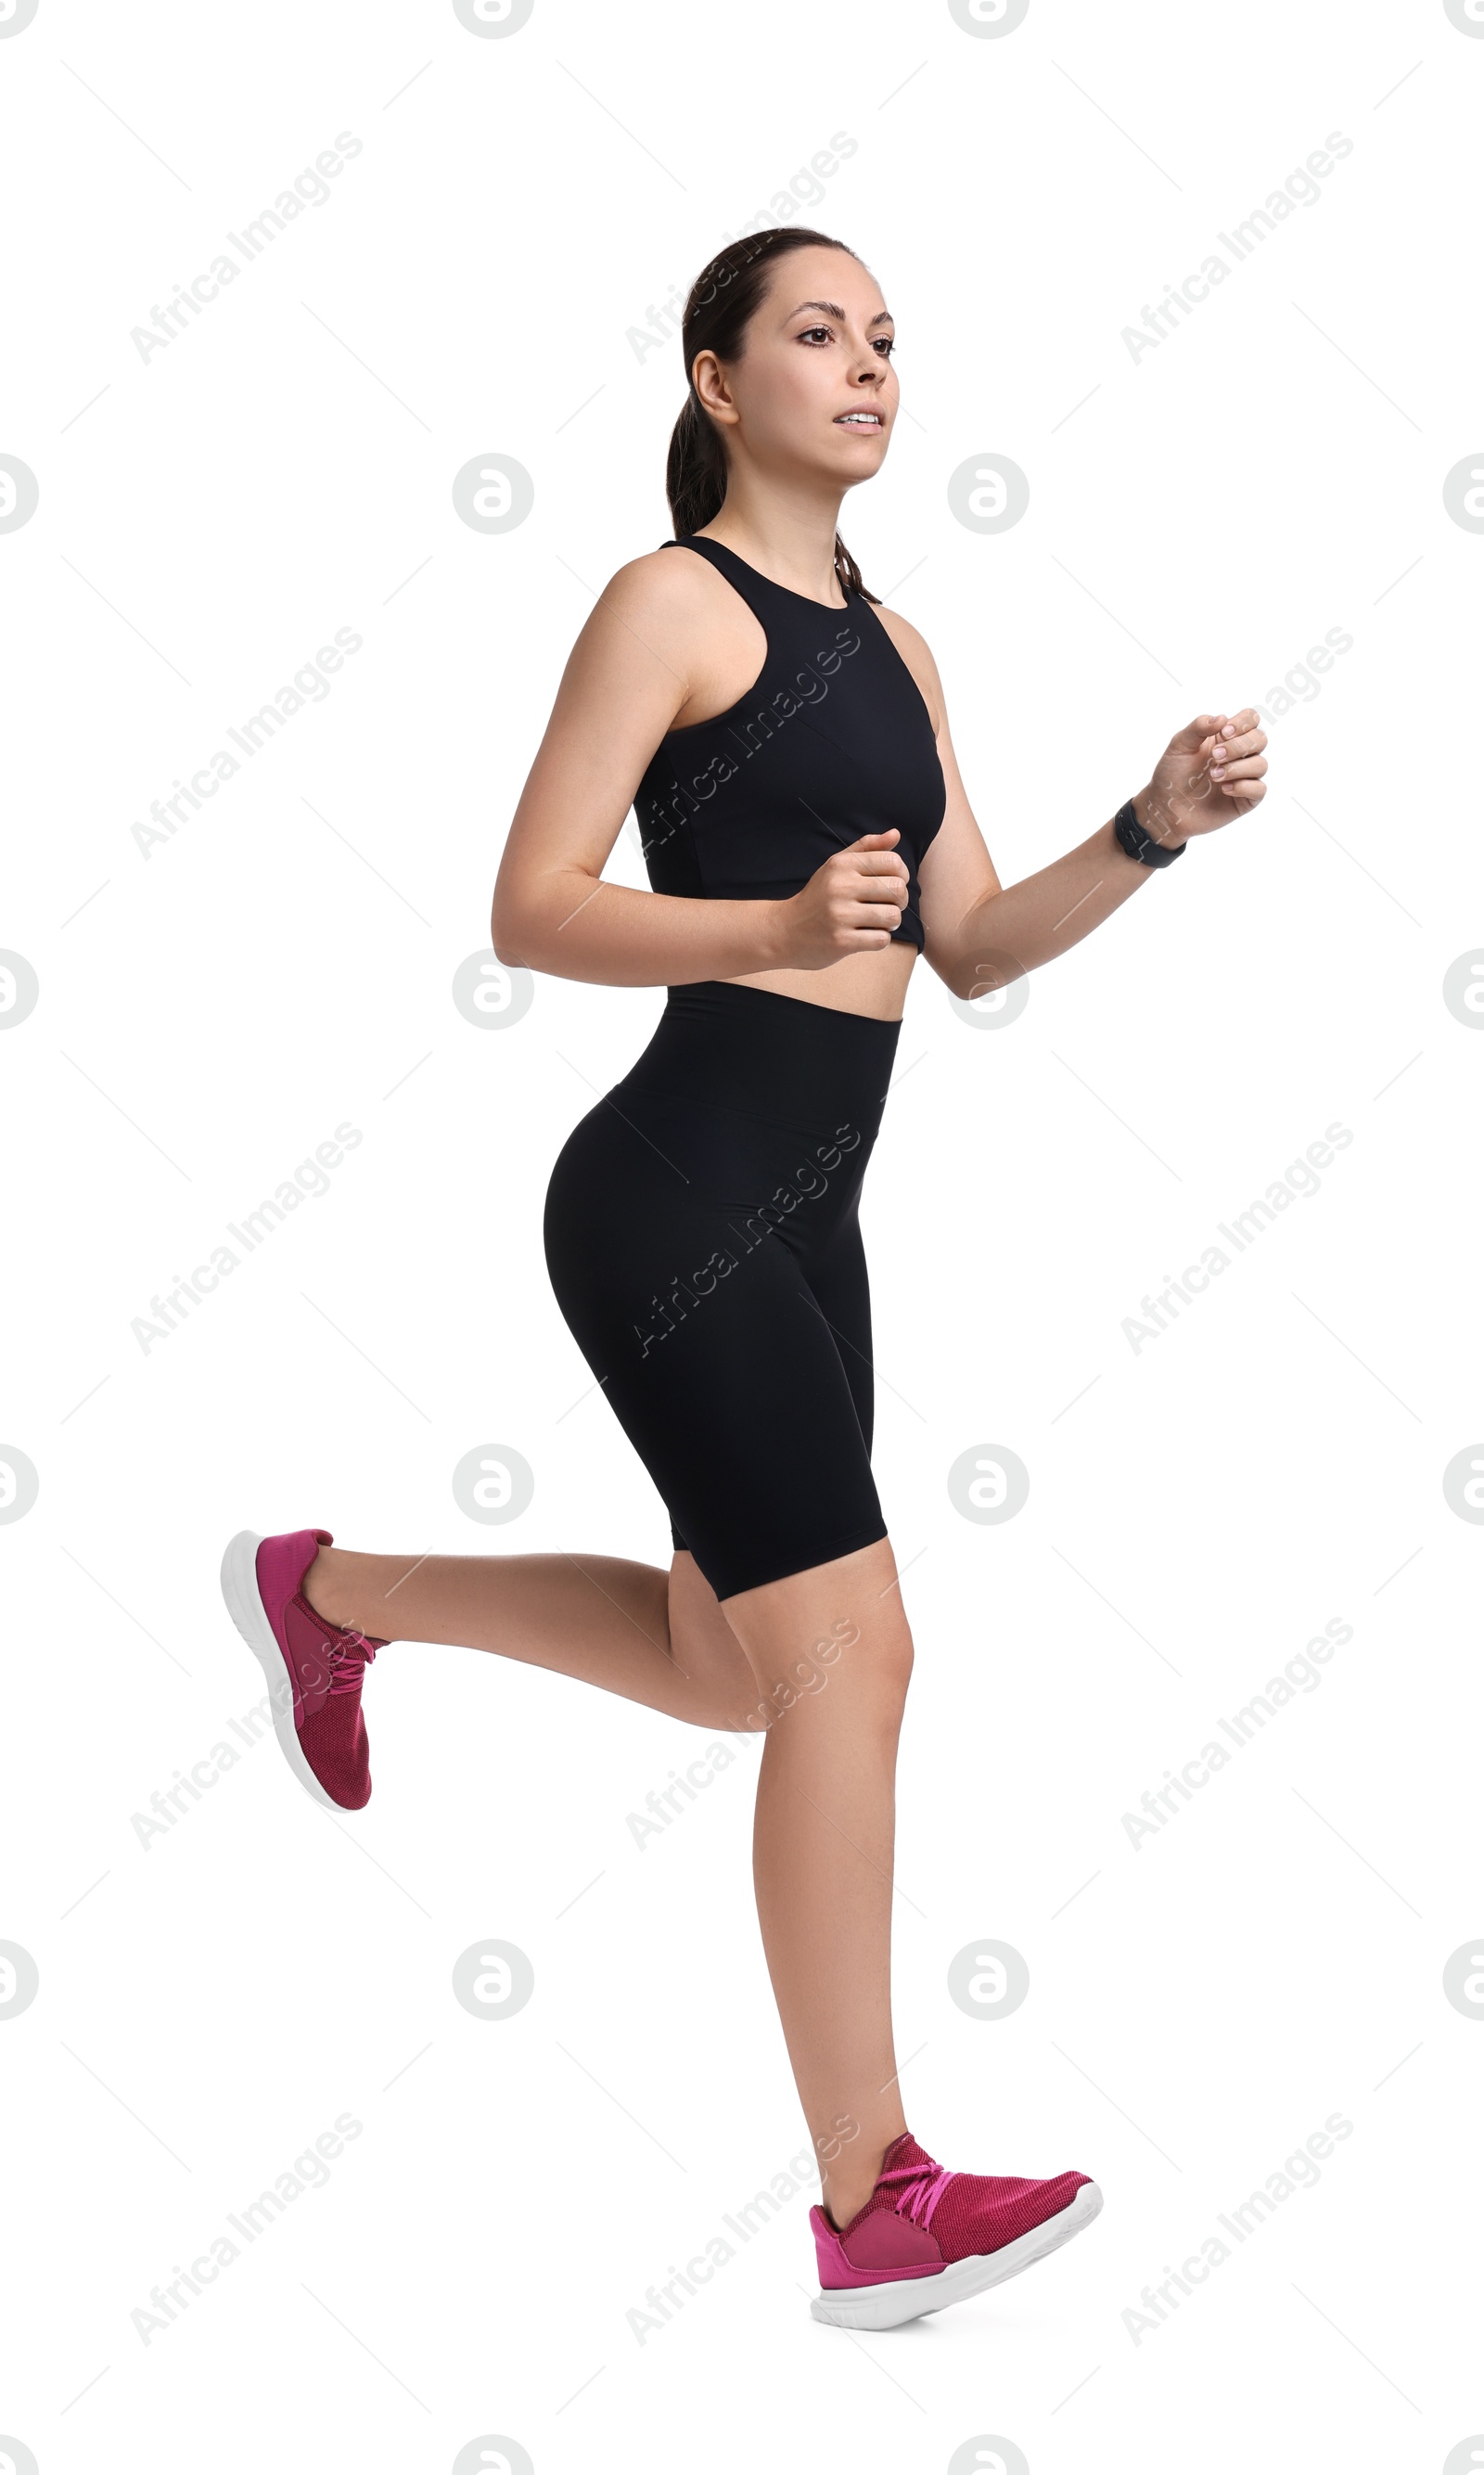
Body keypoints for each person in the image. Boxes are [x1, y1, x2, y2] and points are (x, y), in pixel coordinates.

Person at [221, 225, 1267, 2330]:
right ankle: (867, 2191)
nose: (868, 363)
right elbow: (527, 905)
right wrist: (768, 927)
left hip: (809, 1213)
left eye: (887, 338)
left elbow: (964, 950)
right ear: (715, 381)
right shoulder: (665, 603)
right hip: (667, 1192)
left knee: (731, 1665)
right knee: (854, 1656)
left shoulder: (903, 647)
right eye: (817, 332)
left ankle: (320, 1591)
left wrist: (1141, 828)